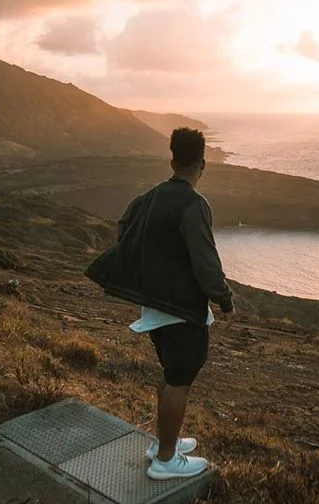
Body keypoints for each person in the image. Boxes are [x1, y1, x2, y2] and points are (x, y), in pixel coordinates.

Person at [85, 127, 237, 480]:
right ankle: (166, 461)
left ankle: (163, 442)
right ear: (203, 164)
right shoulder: (195, 205)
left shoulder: (150, 196)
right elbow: (206, 262)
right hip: (182, 309)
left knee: (171, 375)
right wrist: (225, 300)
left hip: (154, 306)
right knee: (180, 381)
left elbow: (125, 228)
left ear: (172, 161)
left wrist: (155, 266)